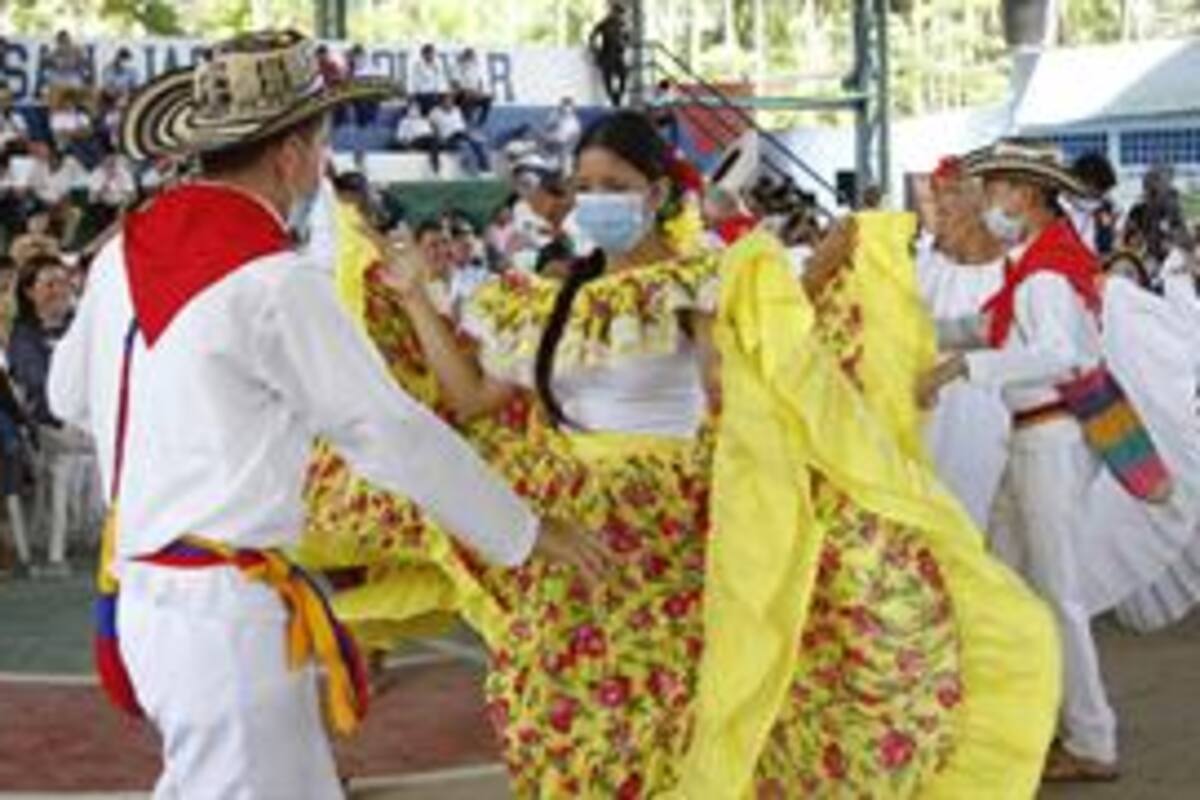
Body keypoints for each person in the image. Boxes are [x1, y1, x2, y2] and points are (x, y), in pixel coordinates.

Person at [302, 111, 1061, 797]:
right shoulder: (549, 294)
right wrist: (412, 297)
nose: (596, 199)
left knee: (674, 712)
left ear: (658, 191)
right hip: (569, 538)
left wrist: (806, 278)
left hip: (673, 532)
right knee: (554, 710)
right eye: (584, 186)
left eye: (615, 185)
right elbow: (471, 399)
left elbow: (743, 373)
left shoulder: (700, 283)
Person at [46, 30, 600, 796]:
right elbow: (391, 433)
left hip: (141, 595)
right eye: (320, 141)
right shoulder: (275, 281)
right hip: (226, 614)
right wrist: (524, 533)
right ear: (291, 155)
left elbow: (66, 396)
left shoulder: (119, 256)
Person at [916, 140, 1200, 782]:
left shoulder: (1043, 275)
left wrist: (960, 368)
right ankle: (1023, 717)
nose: (985, 202)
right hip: (1038, 439)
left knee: (1053, 591)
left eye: (993, 190)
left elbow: (1058, 355)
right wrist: (919, 331)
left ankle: (1091, 736)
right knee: (1005, 581)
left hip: (1051, 439)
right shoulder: (1038, 266)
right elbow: (987, 326)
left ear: (1024, 195)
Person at [915, 156, 1008, 529]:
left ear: (982, 201)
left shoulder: (1013, 271)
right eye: (935, 196)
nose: (939, 206)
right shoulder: (923, 269)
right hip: (928, 419)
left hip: (991, 422)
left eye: (951, 194)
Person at [429, 93, 488, 176]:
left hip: (461, 134)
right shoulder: (435, 112)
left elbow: (461, 124)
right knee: (466, 140)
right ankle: (473, 166)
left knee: (476, 142)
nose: (449, 103)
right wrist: (439, 137)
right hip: (448, 137)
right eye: (446, 101)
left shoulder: (456, 110)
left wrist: (468, 133)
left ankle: (484, 167)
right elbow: (433, 127)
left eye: (450, 101)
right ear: (441, 102)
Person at [589, 3, 629, 107]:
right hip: (606, 54)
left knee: (624, 75)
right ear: (612, 12)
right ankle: (613, 99)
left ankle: (618, 96)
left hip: (618, 54)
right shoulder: (604, 23)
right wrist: (595, 50)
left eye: (620, 14)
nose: (618, 15)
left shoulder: (623, 24)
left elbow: (627, 38)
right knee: (607, 78)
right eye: (616, 12)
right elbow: (592, 36)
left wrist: (624, 43)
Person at [394, 100, 440, 175]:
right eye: (412, 107)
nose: (414, 110)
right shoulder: (405, 121)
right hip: (413, 141)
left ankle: (435, 165)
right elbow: (399, 137)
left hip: (426, 142)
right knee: (431, 139)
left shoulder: (424, 120)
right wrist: (406, 145)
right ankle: (435, 166)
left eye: (416, 107)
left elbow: (429, 133)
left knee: (434, 140)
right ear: (408, 108)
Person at [452, 48, 492, 127]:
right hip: (462, 92)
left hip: (474, 92)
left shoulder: (476, 67)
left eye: (472, 56)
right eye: (469, 56)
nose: (471, 58)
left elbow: (480, 82)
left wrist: (480, 92)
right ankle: (467, 119)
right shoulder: (458, 66)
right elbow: (455, 83)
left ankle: (480, 122)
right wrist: (466, 90)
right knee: (467, 97)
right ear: (465, 56)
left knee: (488, 98)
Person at [409, 44, 446, 117]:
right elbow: (416, 83)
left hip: (435, 94)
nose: (431, 56)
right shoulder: (417, 65)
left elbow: (440, 81)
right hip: (422, 94)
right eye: (429, 53)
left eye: (433, 53)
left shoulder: (437, 65)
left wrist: (441, 91)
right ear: (423, 55)